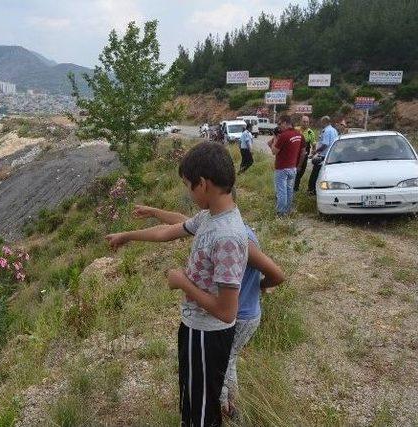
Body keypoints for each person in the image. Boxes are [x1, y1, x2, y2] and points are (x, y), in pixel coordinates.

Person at [105, 143, 247, 426]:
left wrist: (184, 283)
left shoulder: (227, 236)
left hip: (209, 335)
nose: (187, 192)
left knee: (203, 411)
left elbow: (227, 311)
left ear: (203, 184)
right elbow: (168, 231)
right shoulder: (210, 217)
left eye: (187, 186)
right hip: (195, 329)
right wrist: (127, 235)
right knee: (192, 398)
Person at [131, 204, 285, 418]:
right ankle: (227, 406)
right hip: (245, 312)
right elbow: (181, 220)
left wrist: (259, 286)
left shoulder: (234, 237)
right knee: (227, 359)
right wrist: (155, 212)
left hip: (240, 315)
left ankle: (225, 407)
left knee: (224, 361)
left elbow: (277, 274)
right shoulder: (220, 224)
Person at [267, 115, 306, 216]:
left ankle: (281, 212)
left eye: (279, 124)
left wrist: (275, 138)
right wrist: (299, 166)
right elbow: (303, 152)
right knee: (289, 191)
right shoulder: (299, 135)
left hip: (281, 168)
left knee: (281, 192)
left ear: (285, 122)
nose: (279, 126)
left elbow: (274, 152)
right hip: (292, 168)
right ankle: (288, 210)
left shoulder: (284, 136)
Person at [307, 116, 339, 195]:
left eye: (322, 122)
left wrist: (315, 152)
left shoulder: (326, 131)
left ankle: (311, 190)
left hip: (323, 156)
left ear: (325, 122)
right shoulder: (334, 130)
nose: (321, 124)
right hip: (332, 156)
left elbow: (325, 144)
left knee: (315, 174)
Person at [294, 115, 316, 192]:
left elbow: (313, 144)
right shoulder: (296, 129)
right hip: (294, 153)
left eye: (307, 122)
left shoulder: (310, 132)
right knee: (294, 170)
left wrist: (313, 153)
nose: (305, 123)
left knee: (301, 171)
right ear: (301, 122)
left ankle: (295, 185)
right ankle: (294, 187)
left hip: (304, 154)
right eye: (304, 122)